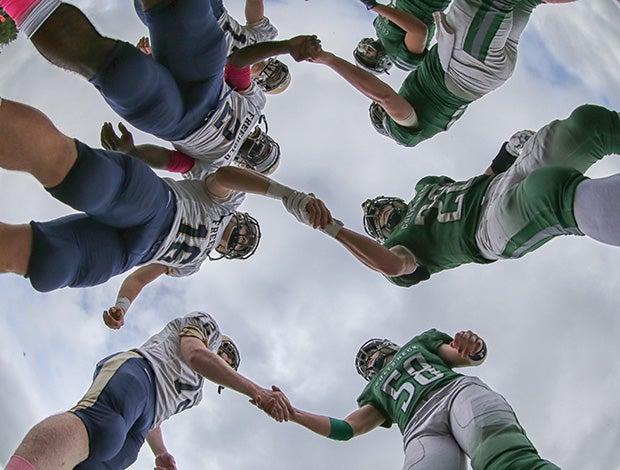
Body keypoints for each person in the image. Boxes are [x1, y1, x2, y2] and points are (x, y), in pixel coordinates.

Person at [0, 97, 332, 298]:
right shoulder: (226, 204)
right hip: (160, 208)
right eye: (246, 234)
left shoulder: (193, 264)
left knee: (51, 263)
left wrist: (123, 305)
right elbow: (223, 177)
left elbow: (142, 276)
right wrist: (287, 195)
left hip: (133, 252)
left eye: (240, 244)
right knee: (86, 179)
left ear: (224, 253)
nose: (240, 238)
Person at [0, 0, 319, 176]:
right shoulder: (255, 103)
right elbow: (236, 65)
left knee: (120, 71)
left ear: (246, 165)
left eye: (259, 157)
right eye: (266, 149)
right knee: (182, 9)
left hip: (178, 122)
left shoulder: (214, 167)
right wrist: (284, 46)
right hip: (208, 81)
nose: (257, 149)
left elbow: (171, 161)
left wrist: (134, 153)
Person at [316, 104, 620, 286]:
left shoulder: (426, 187)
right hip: (488, 230)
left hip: (497, 185)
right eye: (379, 220)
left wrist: (506, 154)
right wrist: (334, 229)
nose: (383, 214)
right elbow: (394, 266)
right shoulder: (400, 245)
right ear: (384, 234)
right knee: (549, 192)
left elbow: (479, 182)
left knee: (587, 125)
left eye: (380, 209)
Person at [5, 311, 292, 469]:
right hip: (142, 372)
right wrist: (258, 391)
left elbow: (158, 417)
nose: (226, 360)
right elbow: (195, 355)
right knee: (98, 424)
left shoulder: (196, 394)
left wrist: (161, 453)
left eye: (231, 362)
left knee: (103, 463)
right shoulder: (206, 327)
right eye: (226, 352)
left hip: (145, 421)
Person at [310, 0, 575, 148]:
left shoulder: (418, 103)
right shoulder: (400, 131)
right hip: (463, 67)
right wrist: (327, 59)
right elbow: (387, 97)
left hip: (471, 72)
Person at [283, 329, 560, 469]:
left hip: (454, 393)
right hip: (418, 429)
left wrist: (472, 346)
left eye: (372, 353)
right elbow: (346, 429)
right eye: (367, 360)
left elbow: (466, 357)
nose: (372, 359)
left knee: (504, 456)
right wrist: (294, 413)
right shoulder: (374, 391)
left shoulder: (418, 345)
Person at [354, 0, 451, 73]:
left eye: (361, 53)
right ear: (381, 63)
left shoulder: (376, 25)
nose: (366, 51)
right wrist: (374, 6)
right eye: (368, 58)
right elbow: (419, 31)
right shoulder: (400, 58)